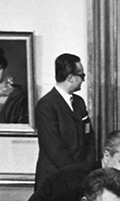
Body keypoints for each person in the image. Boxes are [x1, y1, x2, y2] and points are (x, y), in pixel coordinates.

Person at [34, 53, 94, 190]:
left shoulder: (79, 103)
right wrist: (76, 173)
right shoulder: (46, 105)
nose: (83, 80)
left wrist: (86, 169)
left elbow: (89, 137)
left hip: (78, 177)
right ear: (71, 78)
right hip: (54, 179)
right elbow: (55, 148)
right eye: (82, 76)